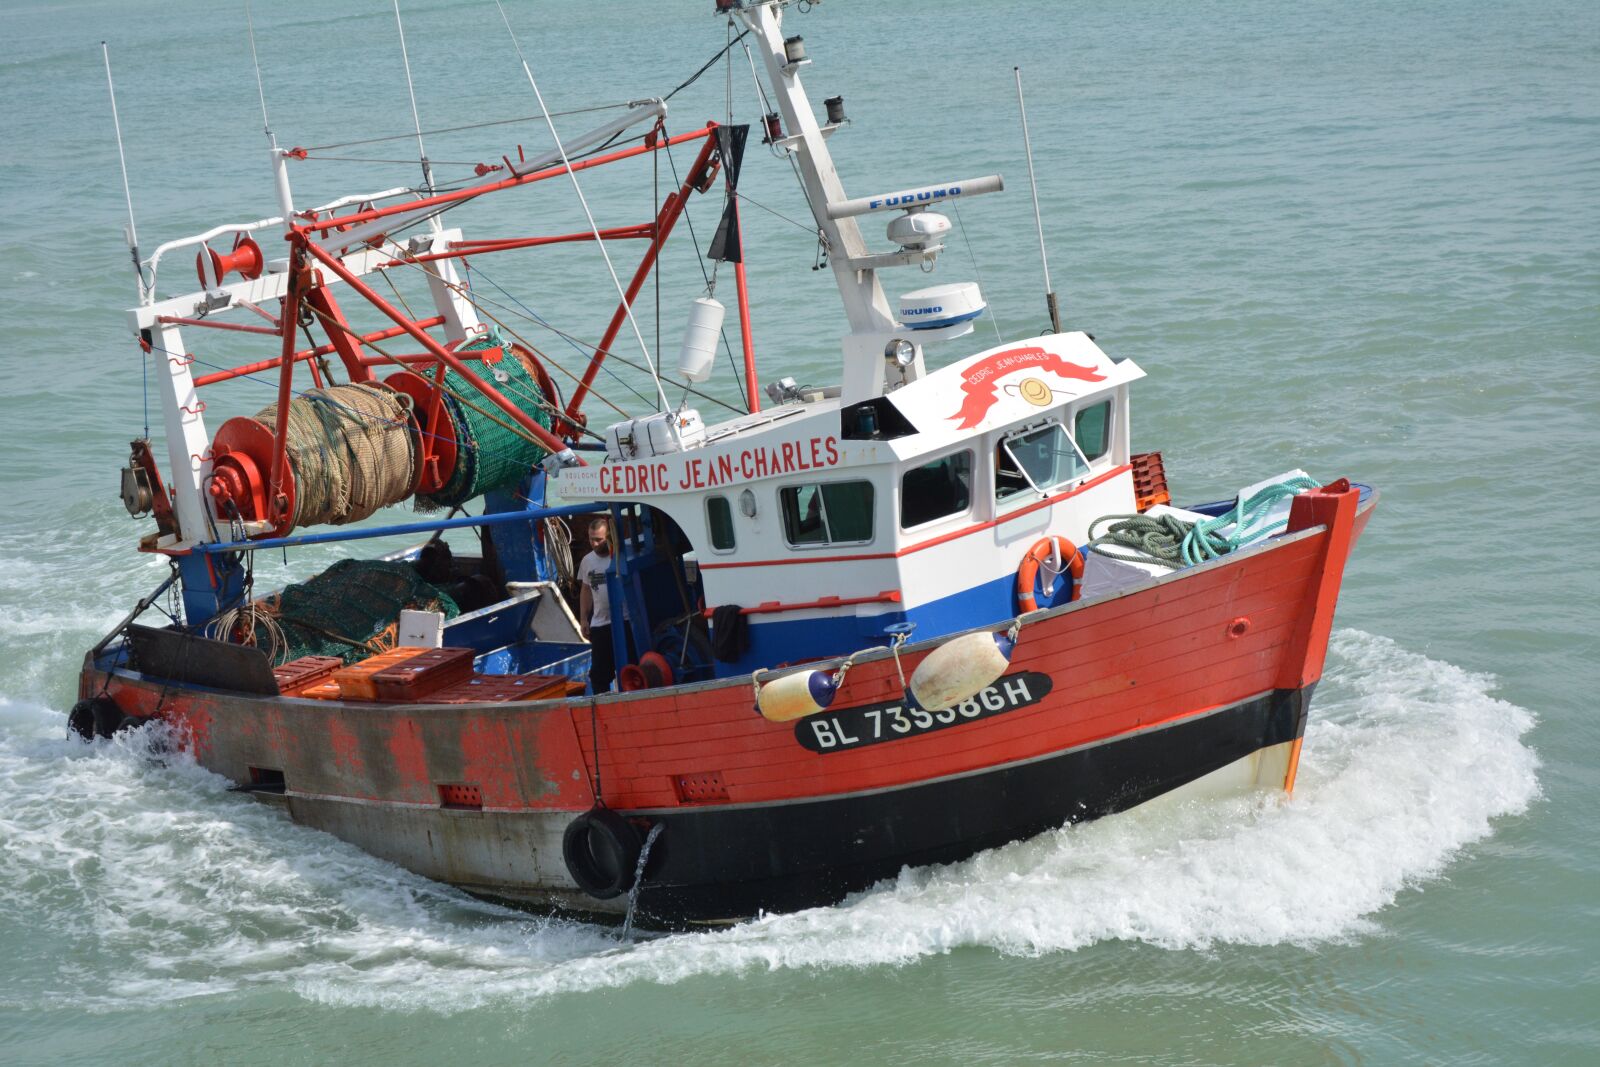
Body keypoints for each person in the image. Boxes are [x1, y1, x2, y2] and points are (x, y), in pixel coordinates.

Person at [577, 517, 631, 692]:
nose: (594, 544)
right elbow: (585, 590)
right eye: (591, 539)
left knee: (630, 665)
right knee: (599, 674)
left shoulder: (621, 556)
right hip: (600, 624)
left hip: (625, 620)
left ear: (608, 537)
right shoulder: (587, 561)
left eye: (598, 539)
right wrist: (584, 619)